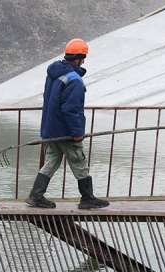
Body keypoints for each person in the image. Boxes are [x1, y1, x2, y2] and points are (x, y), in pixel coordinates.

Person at [25, 38, 109, 210]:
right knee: (79, 161)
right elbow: (72, 110)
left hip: (51, 129)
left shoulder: (54, 74)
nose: (84, 61)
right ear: (79, 58)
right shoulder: (74, 81)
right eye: (84, 57)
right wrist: (77, 132)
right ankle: (87, 198)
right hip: (65, 131)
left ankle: (36, 196)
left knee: (52, 160)